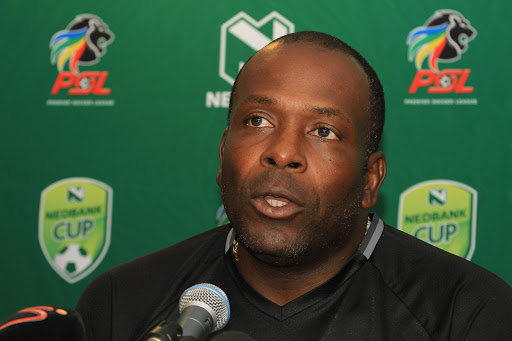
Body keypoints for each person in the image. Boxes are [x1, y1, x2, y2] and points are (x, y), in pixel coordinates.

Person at [76, 31, 512, 340]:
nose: (282, 152)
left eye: (324, 131)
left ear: (370, 179)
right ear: (224, 152)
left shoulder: (468, 313)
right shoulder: (123, 303)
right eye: (258, 121)